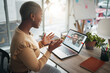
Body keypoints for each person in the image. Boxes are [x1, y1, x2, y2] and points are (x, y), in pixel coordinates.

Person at [9, 1, 62, 73]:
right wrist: (49, 50)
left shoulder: (21, 31)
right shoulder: (22, 42)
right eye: (41, 15)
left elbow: (29, 48)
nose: (41, 19)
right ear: (32, 16)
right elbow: (37, 67)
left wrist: (42, 43)